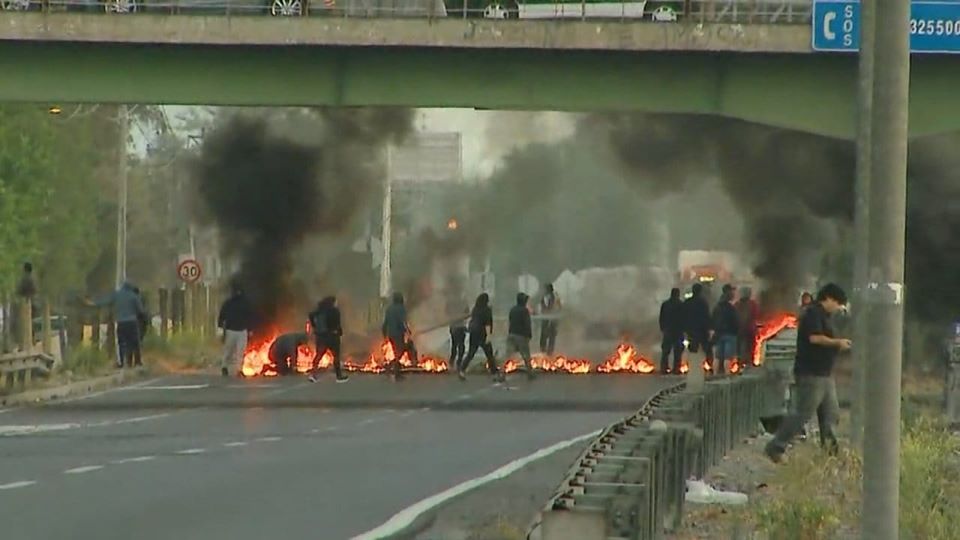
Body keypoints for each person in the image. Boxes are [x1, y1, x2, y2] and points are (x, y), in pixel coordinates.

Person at [765, 283, 851, 462]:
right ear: (828, 298)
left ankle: (830, 454)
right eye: (838, 304)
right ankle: (776, 446)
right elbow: (814, 338)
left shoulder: (825, 316)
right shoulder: (813, 313)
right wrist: (837, 343)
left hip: (824, 373)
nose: (838, 309)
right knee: (802, 413)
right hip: (811, 373)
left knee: (831, 414)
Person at [87, 281, 147, 368]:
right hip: (132, 322)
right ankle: (137, 362)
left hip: (121, 322)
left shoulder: (116, 295)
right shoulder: (134, 296)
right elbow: (140, 310)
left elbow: (104, 301)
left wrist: (92, 303)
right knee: (134, 342)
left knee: (122, 343)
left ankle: (122, 362)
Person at [459, 293, 504, 383]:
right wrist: (488, 336)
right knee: (489, 355)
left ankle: (462, 370)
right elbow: (487, 324)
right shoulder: (487, 310)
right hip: (482, 334)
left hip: (474, 333)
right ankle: (494, 374)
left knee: (471, 353)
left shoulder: (475, 309)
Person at [217, 283, 254, 377]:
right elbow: (222, 317)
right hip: (231, 330)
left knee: (240, 352)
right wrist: (220, 328)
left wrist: (250, 329)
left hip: (241, 331)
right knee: (229, 350)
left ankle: (239, 369)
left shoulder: (245, 303)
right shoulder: (228, 303)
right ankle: (224, 367)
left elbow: (249, 317)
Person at [308, 296, 348, 383]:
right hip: (332, 336)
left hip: (321, 336)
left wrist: (314, 326)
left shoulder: (319, 311)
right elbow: (337, 324)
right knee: (336, 356)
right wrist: (340, 332)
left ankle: (313, 374)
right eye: (336, 302)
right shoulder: (335, 311)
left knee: (318, 356)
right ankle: (339, 376)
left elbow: (311, 315)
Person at [506, 293, 536, 381]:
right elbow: (527, 324)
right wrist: (529, 335)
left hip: (511, 334)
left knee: (507, 356)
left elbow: (510, 321)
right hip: (521, 336)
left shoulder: (512, 309)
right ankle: (530, 374)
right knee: (526, 356)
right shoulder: (524, 311)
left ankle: (502, 373)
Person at [382, 292, 410, 382]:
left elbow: (385, 322)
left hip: (391, 334)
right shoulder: (401, 309)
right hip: (398, 333)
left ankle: (393, 368)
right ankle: (395, 370)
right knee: (400, 351)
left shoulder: (389, 309)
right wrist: (407, 330)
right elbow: (402, 321)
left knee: (397, 352)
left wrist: (384, 332)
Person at [683, 283, 712, 370]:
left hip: (691, 329)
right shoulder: (703, 302)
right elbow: (706, 316)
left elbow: (683, 315)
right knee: (706, 348)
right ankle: (710, 365)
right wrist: (709, 327)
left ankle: (692, 366)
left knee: (693, 348)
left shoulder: (687, 302)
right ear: (700, 291)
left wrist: (684, 327)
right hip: (702, 329)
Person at [711, 286, 739, 374]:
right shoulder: (731, 308)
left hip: (719, 334)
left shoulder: (717, 307)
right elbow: (735, 321)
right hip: (730, 334)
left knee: (717, 357)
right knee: (728, 357)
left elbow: (712, 319)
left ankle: (715, 374)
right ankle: (727, 375)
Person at [659, 288, 685, 374]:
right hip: (678, 331)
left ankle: (663, 368)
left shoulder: (665, 304)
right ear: (677, 294)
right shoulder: (681, 305)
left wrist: (662, 328)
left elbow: (661, 317)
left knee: (666, 351)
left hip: (668, 330)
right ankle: (676, 369)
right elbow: (683, 318)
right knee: (677, 351)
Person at [736, 286, 760, 368]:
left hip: (739, 330)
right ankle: (749, 364)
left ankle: (740, 364)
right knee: (750, 348)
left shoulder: (737, 304)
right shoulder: (753, 304)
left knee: (739, 348)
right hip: (750, 330)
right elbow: (756, 315)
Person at [538, 283, 561, 355]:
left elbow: (559, 307)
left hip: (553, 319)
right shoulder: (543, 297)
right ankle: (543, 350)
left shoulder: (555, 297)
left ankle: (550, 351)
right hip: (545, 318)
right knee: (544, 334)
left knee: (552, 335)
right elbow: (542, 307)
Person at [449, 307, 468, 372]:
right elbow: (447, 312)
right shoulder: (451, 302)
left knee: (460, 346)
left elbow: (467, 313)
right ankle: (453, 362)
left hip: (461, 327)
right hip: (454, 327)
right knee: (455, 345)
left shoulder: (463, 302)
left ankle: (458, 363)